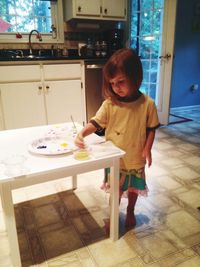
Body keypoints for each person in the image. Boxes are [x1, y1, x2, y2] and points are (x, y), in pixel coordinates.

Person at [75, 48, 160, 228]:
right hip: (114, 159)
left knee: (133, 188)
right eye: (112, 83)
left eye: (121, 81)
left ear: (135, 78)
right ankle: (114, 215)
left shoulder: (148, 104)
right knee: (115, 190)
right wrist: (81, 133)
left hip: (136, 157)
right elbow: (96, 123)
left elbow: (152, 128)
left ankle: (130, 210)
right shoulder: (110, 104)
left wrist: (147, 148)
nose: (116, 87)